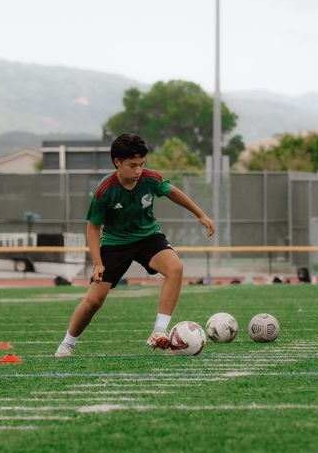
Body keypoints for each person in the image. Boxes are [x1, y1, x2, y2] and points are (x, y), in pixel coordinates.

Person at [54, 133, 215, 358]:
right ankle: (67, 343)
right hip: (115, 243)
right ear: (117, 163)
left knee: (175, 268)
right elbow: (93, 228)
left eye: (141, 164)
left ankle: (159, 331)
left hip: (148, 237)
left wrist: (201, 214)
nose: (138, 170)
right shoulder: (104, 190)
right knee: (94, 300)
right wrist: (98, 263)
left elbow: (173, 193)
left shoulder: (150, 179)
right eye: (132, 165)